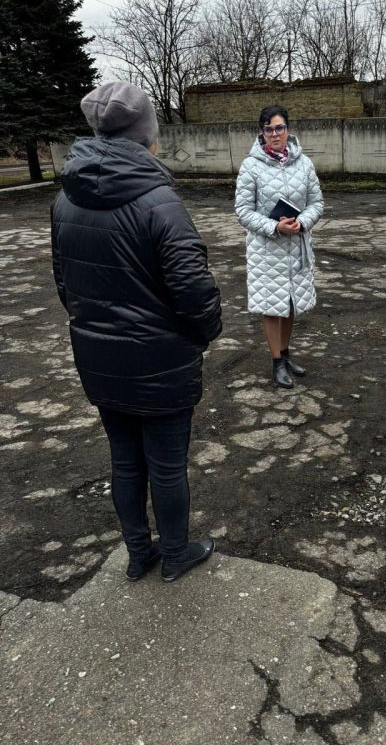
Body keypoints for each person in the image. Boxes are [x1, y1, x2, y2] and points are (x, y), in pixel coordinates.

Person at [51, 82, 222, 582]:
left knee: (125, 462)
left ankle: (137, 553)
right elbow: (195, 293)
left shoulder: (65, 200)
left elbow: (65, 282)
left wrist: (96, 327)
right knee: (166, 467)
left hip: (100, 358)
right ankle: (174, 553)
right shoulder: (159, 203)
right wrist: (204, 333)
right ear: (146, 134)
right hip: (161, 362)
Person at [235, 105, 323, 388]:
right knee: (273, 307)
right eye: (268, 129)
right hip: (267, 249)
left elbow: (316, 203)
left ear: (288, 129)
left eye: (279, 128)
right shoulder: (252, 165)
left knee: (291, 304)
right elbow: (243, 211)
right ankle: (276, 363)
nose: (274, 134)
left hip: (296, 246)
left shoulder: (304, 163)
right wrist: (274, 226)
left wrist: (302, 222)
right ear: (262, 132)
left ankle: (285, 355)